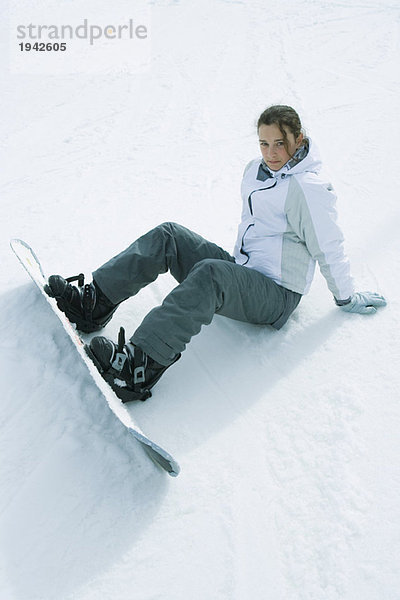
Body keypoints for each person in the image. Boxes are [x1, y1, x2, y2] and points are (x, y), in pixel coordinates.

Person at [45, 105, 386, 402]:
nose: (271, 152)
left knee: (211, 273)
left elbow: (330, 247)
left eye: (280, 143)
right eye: (264, 143)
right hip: (244, 271)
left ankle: (140, 364)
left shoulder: (308, 189)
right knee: (170, 235)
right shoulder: (256, 170)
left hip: (277, 293)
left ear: (299, 139)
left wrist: (346, 297)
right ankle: (94, 302)